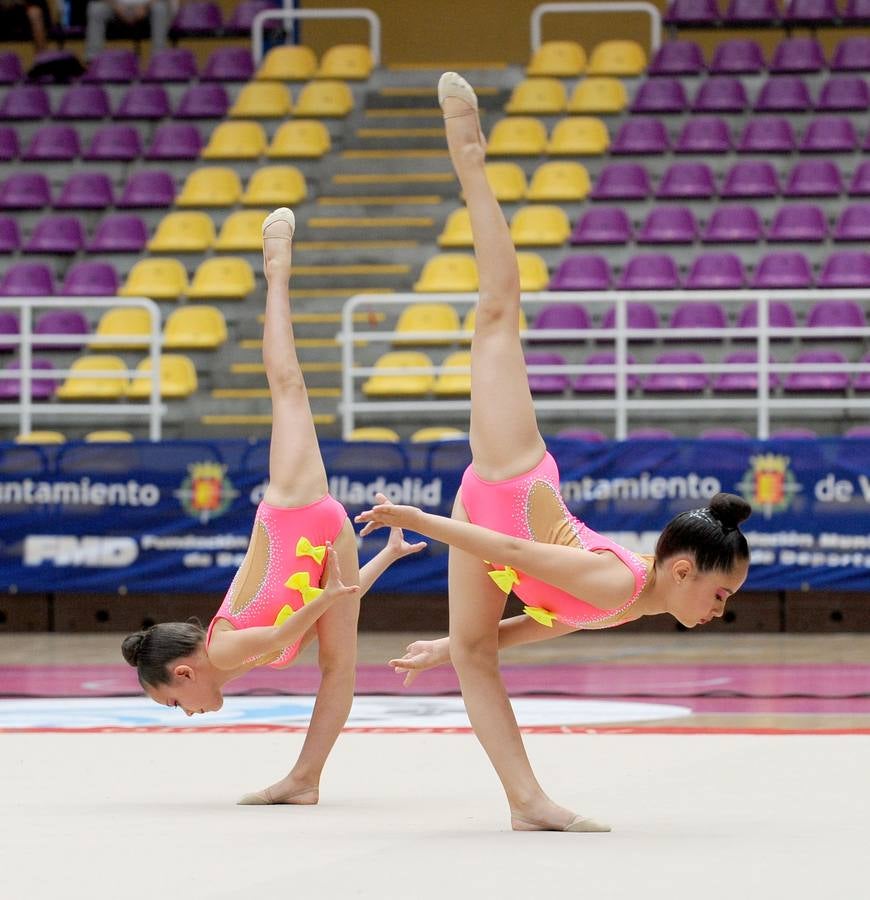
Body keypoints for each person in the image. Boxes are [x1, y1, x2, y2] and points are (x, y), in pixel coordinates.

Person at [356, 73, 752, 833]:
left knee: (475, 654)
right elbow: (507, 544)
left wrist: (445, 645)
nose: (720, 608)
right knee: (497, 316)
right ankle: (469, 151)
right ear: (680, 569)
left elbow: (520, 627)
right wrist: (420, 518)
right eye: (720, 592)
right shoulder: (611, 582)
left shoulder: (625, 604)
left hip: (495, 532)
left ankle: (525, 802)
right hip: (509, 479)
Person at [122, 208, 425, 806]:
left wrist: (327, 596)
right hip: (325, 545)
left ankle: (276, 270)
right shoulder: (228, 663)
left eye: (174, 704)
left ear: (185, 673)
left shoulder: (225, 649)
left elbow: (290, 625)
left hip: (292, 511)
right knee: (340, 670)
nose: (186, 713)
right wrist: (387, 557)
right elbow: (328, 601)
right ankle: (306, 779)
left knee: (288, 387)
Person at [85, 0, 172, 60]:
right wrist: (116, 7)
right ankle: (93, 59)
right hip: (116, 9)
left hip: (147, 10)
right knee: (95, 9)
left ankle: (159, 57)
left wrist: (146, 7)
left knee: (160, 8)